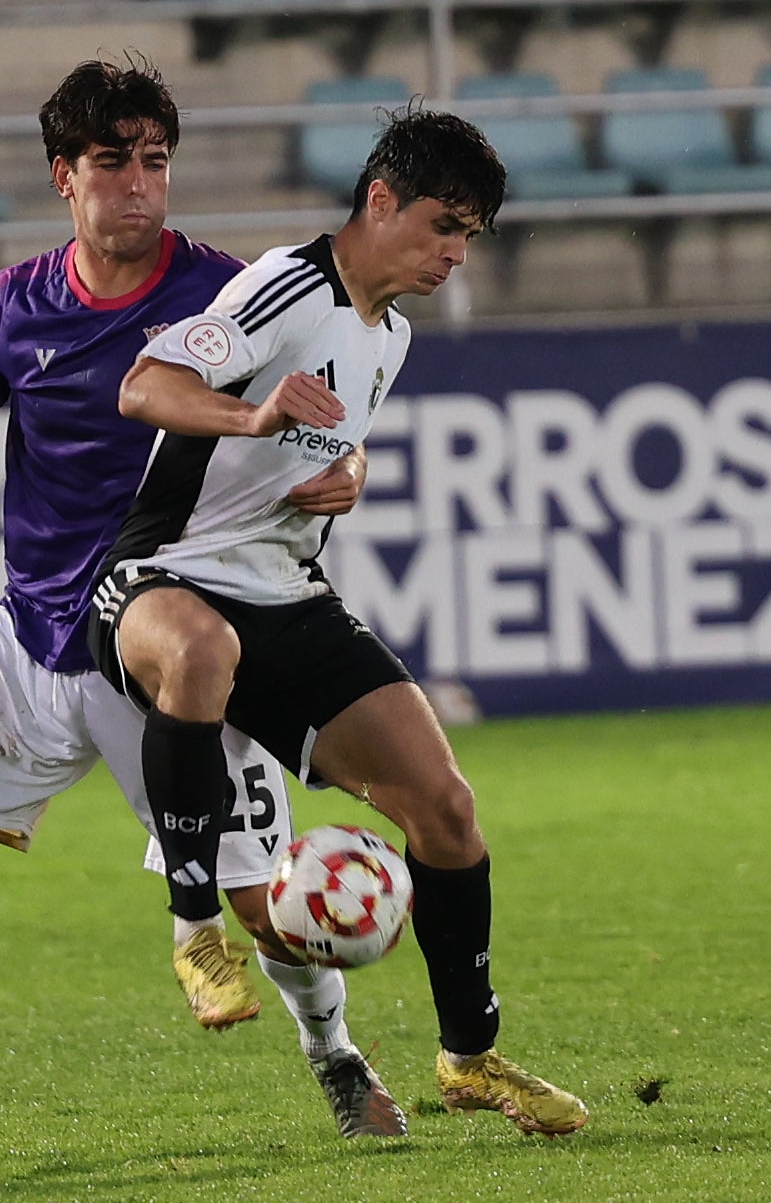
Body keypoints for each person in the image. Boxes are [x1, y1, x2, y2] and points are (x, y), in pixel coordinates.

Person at [0, 56, 392, 1170]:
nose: (139, 185)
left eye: (155, 161)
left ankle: (336, 1054)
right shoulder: (16, 301)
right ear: (65, 178)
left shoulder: (229, 292)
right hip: (37, 633)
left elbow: (325, 421)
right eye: (112, 163)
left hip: (165, 634)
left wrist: (351, 473)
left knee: (258, 898)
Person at [88, 104, 589, 1138]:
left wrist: (348, 470)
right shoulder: (287, 284)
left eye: (470, 236)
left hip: (286, 591)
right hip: (160, 576)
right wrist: (252, 414)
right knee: (203, 650)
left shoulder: (389, 332)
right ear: (379, 198)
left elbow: (339, 439)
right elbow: (147, 385)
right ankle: (194, 932)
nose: (456, 253)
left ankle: (469, 1058)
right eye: (444, 225)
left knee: (445, 808)